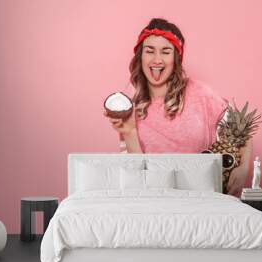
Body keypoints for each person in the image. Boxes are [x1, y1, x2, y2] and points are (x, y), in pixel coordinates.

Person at [104, 18, 252, 195]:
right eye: (150, 51)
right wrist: (129, 132)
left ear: (176, 58)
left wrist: (243, 169)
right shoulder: (131, 107)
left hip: (204, 198)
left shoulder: (201, 94)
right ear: (140, 56)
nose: (157, 60)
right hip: (155, 200)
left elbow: (242, 130)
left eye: (166, 52)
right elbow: (139, 175)